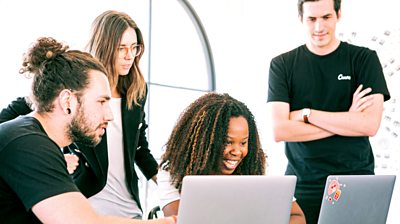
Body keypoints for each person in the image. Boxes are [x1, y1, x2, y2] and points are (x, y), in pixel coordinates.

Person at [0, 10, 159, 218]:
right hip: (83, 199)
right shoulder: (68, 85)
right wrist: (56, 157)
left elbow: (139, 148)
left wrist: (166, 182)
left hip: (125, 204)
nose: (130, 56)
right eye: (122, 48)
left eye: (134, 48)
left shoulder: (136, 91)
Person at [266, 0, 391, 223]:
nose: (319, 27)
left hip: (356, 181)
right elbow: (280, 130)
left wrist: (306, 114)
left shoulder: (363, 59)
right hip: (302, 185)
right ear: (300, 19)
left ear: (338, 14)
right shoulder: (282, 65)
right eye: (311, 19)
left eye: (326, 17)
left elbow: (369, 125)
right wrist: (348, 120)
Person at [158, 92, 306, 224]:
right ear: (206, 141)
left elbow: (297, 216)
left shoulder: (252, 170)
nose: (237, 151)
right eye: (228, 142)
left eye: (243, 143)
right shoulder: (172, 172)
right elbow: (180, 220)